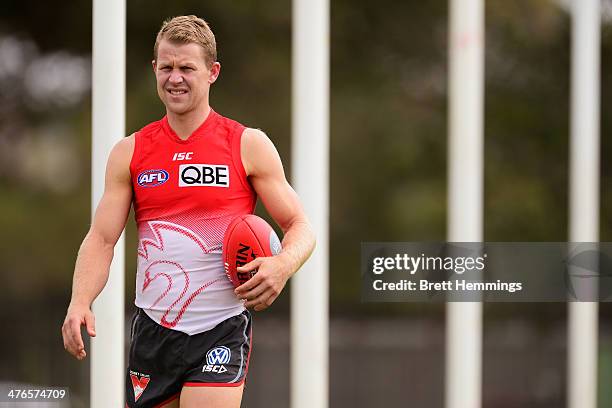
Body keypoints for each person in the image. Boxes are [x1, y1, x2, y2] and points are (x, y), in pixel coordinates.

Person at [61, 15, 315, 408]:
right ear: (154, 69)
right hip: (154, 330)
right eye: (166, 67)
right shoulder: (130, 151)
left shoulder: (247, 144)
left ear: (212, 72)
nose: (174, 78)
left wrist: (282, 265)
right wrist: (80, 301)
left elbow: (300, 225)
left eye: (186, 68)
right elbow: (102, 237)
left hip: (220, 327)